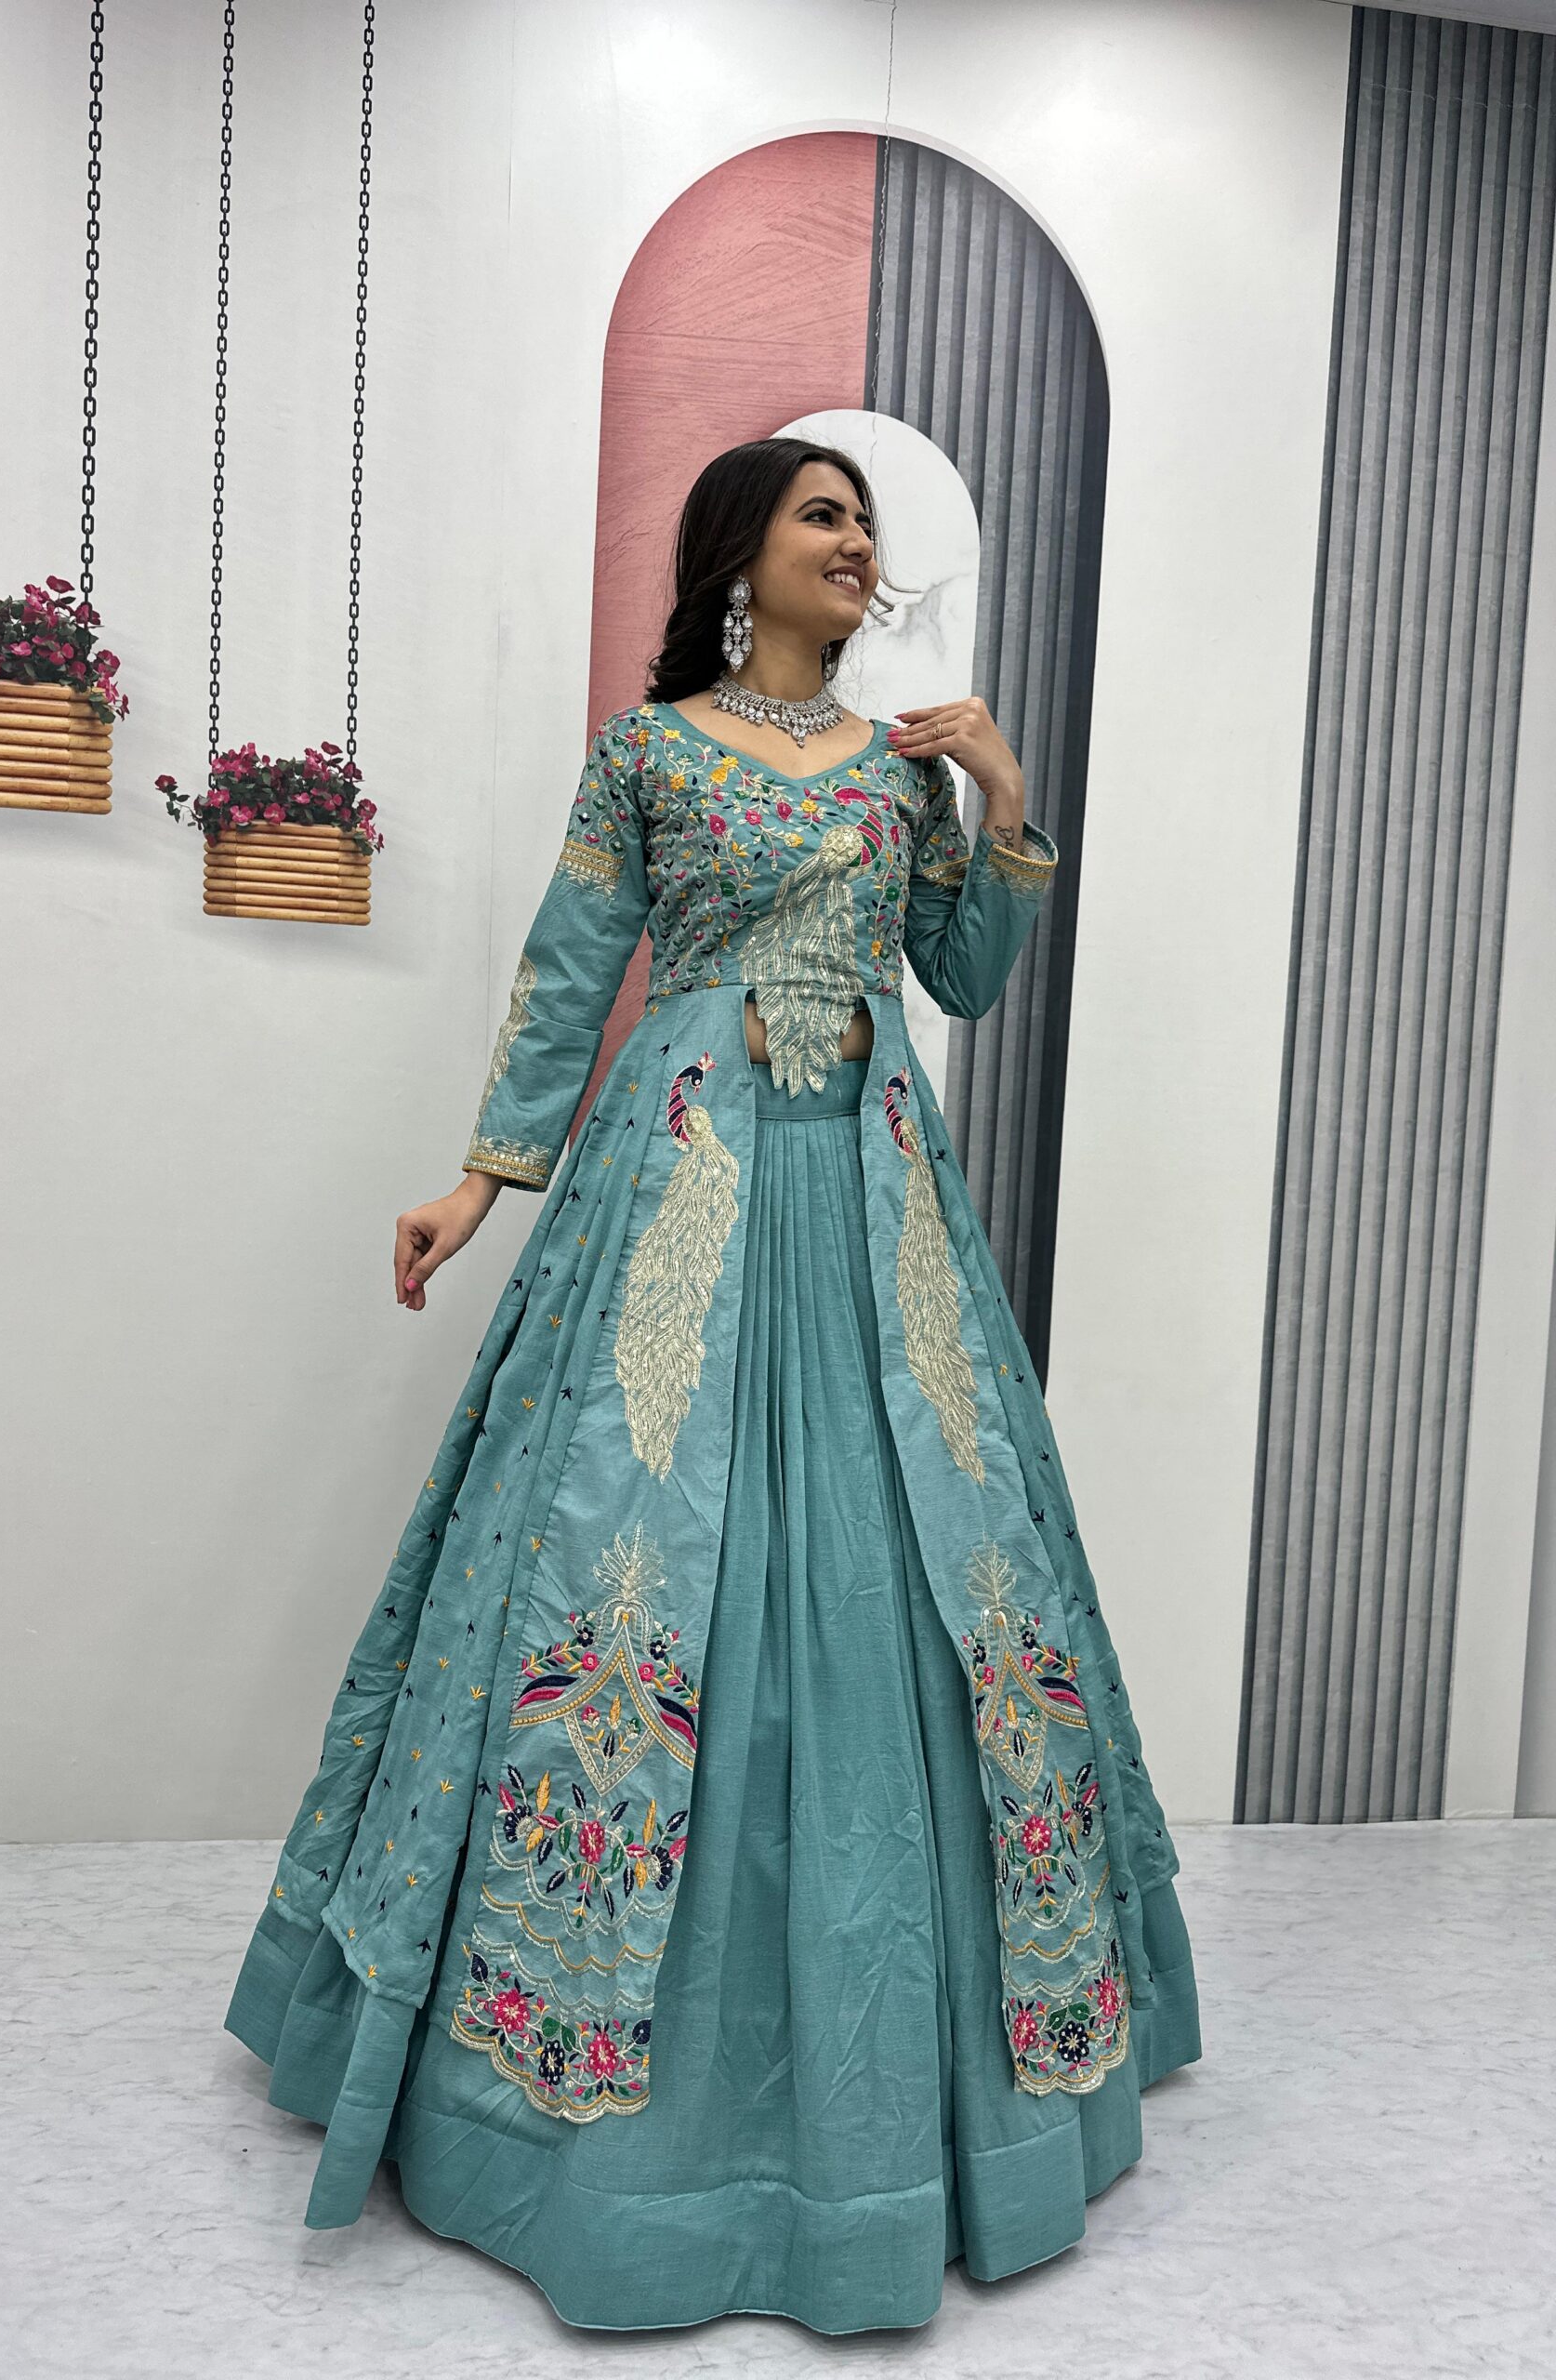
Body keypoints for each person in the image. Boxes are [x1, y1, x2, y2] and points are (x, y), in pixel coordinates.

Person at [225, 435, 1202, 2334]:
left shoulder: (901, 768)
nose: (858, 542)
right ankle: (559, 2106)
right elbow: (567, 967)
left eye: (866, 521)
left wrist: (1002, 803)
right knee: (628, 1550)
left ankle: (941, 2088)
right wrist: (480, 1182)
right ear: (739, 554)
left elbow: (962, 974)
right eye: (824, 514)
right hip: (678, 1184)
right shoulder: (650, 756)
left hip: (877, 1209)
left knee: (936, 1559)